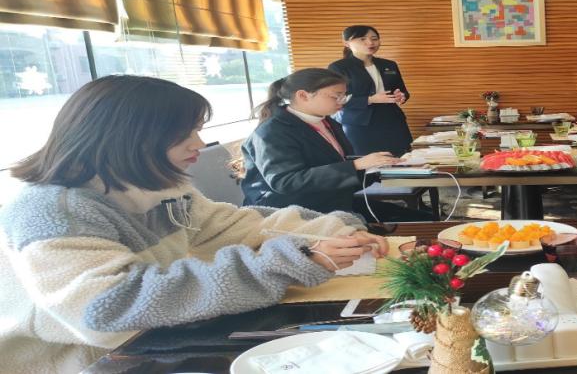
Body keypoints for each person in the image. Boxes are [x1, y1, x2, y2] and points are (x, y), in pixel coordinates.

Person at [0, 75, 388, 374]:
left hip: (150, 342)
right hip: (76, 361)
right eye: (184, 133)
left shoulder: (159, 187)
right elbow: (109, 308)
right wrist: (286, 261)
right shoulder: (51, 210)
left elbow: (237, 224)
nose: (199, 144)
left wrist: (335, 231)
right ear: (129, 137)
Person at [241, 68, 434, 222]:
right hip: (292, 213)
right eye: (336, 96)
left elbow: (340, 161)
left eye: (344, 96)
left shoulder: (326, 121)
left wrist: (386, 166)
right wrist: (357, 165)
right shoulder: (272, 131)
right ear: (303, 96)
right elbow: (286, 181)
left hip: (333, 200)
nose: (342, 102)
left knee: (426, 219)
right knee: (413, 226)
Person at [328, 25, 413, 156]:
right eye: (362, 39)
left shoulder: (389, 65)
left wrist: (401, 96)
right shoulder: (339, 67)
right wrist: (370, 99)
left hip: (392, 121)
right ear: (346, 43)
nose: (370, 43)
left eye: (374, 38)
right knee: (369, 162)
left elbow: (402, 90)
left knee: (402, 158)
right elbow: (337, 100)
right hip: (359, 125)